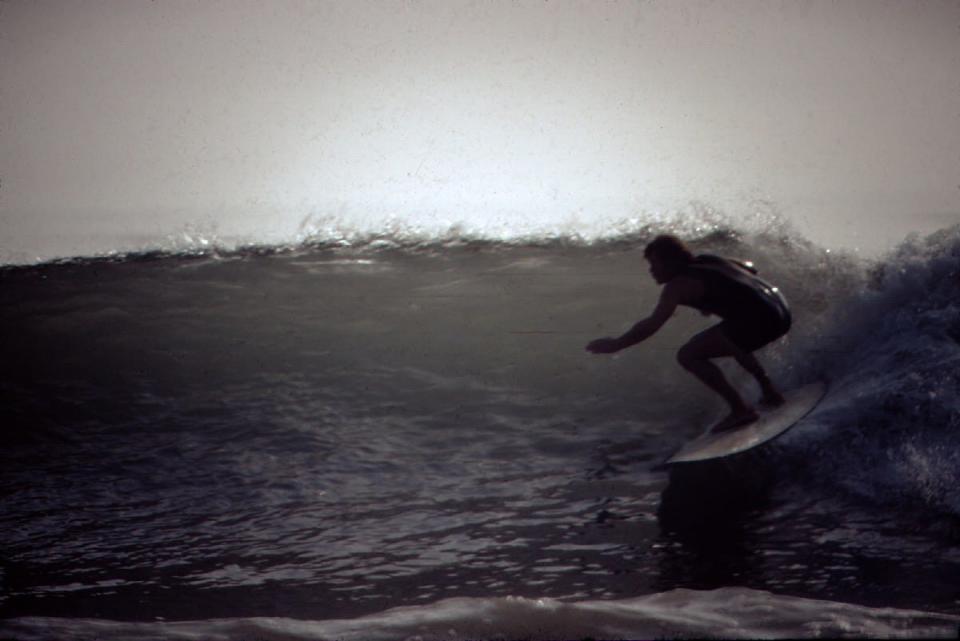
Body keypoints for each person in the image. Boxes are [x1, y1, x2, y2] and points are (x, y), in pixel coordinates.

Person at [586, 234, 791, 433]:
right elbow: (751, 268)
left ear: (673, 262)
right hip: (781, 312)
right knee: (727, 337)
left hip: (762, 322)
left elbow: (652, 324)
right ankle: (769, 391)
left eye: (655, 264)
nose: (652, 271)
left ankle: (740, 409)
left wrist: (617, 344)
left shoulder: (677, 285)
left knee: (689, 354)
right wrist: (719, 294)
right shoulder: (709, 260)